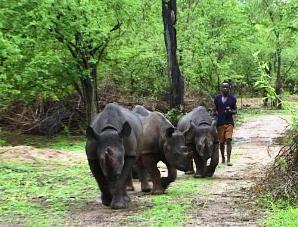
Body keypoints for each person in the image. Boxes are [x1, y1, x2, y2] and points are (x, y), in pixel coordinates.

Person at [213, 81, 237, 166]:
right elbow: (214, 110)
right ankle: (223, 158)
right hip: (220, 123)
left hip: (229, 122)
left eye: (227, 87)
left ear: (229, 88)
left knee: (228, 140)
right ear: (221, 88)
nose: (225, 89)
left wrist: (230, 111)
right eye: (224, 87)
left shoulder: (232, 99)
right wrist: (215, 115)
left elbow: (235, 111)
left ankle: (228, 160)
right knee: (221, 142)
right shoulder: (217, 99)